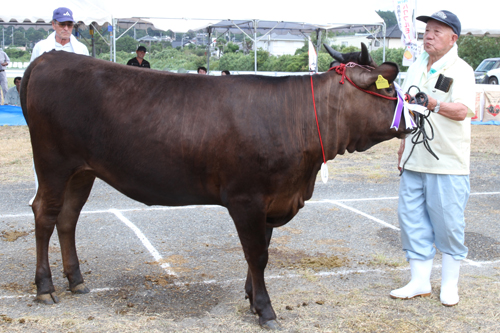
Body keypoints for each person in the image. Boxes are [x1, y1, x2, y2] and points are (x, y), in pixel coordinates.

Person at [391, 10, 475, 307]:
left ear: (453, 38)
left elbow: (464, 111)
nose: (428, 35)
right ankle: (419, 282)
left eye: (437, 31)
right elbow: (405, 108)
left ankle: (449, 284)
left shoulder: (462, 69)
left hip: (446, 161)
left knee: (448, 224)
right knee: (411, 220)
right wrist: (402, 147)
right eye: (427, 30)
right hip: (414, 158)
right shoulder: (415, 67)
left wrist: (436, 104)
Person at [28, 7, 89, 206]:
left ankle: (67, 193)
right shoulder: (40, 47)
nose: (65, 28)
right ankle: (42, 192)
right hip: (48, 109)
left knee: (73, 153)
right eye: (62, 24)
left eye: (69, 24)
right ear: (53, 25)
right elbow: (32, 79)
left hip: (73, 109)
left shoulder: (81, 49)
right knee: (45, 152)